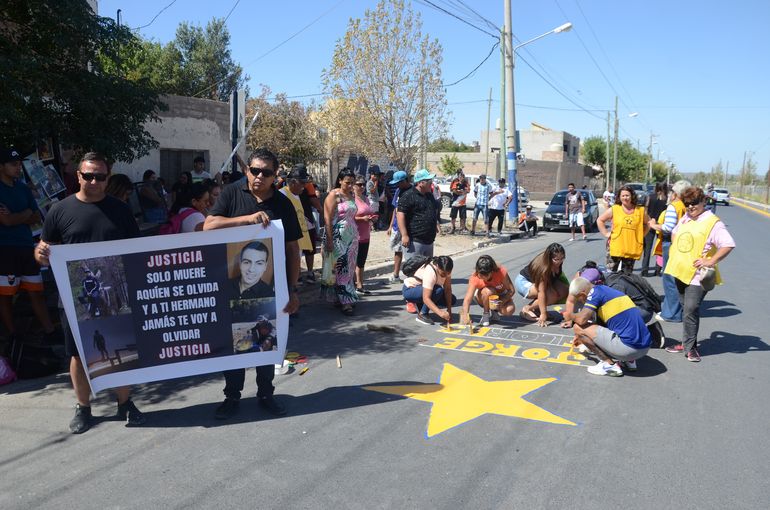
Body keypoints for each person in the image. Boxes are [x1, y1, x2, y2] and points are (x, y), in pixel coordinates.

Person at [35, 151, 146, 433]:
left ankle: (125, 403)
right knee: (78, 355)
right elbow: (42, 253)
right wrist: (41, 253)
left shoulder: (120, 210)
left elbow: (137, 251)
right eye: (88, 175)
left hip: (116, 298)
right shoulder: (60, 210)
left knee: (124, 352)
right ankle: (83, 408)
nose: (94, 181)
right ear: (78, 176)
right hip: (75, 300)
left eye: (100, 176)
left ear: (108, 179)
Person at [204, 147, 301, 420]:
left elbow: (293, 249)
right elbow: (209, 225)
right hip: (232, 286)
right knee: (234, 345)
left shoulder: (283, 204)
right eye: (254, 170)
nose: (258, 176)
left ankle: (266, 394)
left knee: (266, 342)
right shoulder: (233, 193)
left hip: (271, 288)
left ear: (275, 176)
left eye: (265, 173)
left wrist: (293, 290)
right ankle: (232, 397)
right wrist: (247, 220)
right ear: (248, 170)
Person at [663, 186, 735, 362]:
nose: (690, 207)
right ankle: (687, 342)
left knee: (690, 309)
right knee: (686, 310)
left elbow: (728, 244)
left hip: (698, 275)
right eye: (687, 204)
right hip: (679, 270)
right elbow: (674, 234)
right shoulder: (686, 218)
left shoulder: (712, 222)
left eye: (694, 203)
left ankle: (690, 348)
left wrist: (710, 260)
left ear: (703, 201)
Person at [0, 148, 59, 351]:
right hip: (5, 249)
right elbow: (5, 221)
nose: (18, 168)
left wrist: (17, 216)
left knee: (36, 291)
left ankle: (50, 331)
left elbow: (36, 216)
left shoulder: (23, 188)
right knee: (6, 296)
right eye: (13, 164)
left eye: (18, 164)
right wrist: (22, 215)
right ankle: (13, 336)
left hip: (26, 246)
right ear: (1, 166)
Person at [569, 277, 652, 377]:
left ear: (583, 294)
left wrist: (570, 316)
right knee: (619, 326)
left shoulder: (593, 294)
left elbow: (582, 320)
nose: (581, 303)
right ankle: (629, 362)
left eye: (579, 300)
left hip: (629, 349)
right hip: (644, 347)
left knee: (578, 328)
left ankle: (608, 365)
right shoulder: (607, 290)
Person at [648, 180, 690, 323]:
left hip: (671, 243)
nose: (670, 194)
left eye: (672, 192)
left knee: (669, 279)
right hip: (684, 244)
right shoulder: (687, 206)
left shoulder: (674, 207)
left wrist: (654, 225)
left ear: (676, 194)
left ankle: (671, 313)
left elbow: (668, 227)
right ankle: (676, 310)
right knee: (678, 279)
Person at [320, 167, 359, 316]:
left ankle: (341, 297)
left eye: (352, 183)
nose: (350, 185)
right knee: (341, 268)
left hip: (351, 238)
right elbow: (327, 220)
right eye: (347, 182)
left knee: (349, 269)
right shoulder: (334, 195)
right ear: (340, 181)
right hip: (337, 238)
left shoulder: (352, 195)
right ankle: (346, 302)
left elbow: (352, 216)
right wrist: (329, 240)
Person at [597, 185, 650, 274]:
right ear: (619, 197)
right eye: (623, 196)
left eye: (627, 195)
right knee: (610, 274)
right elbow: (600, 220)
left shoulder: (640, 210)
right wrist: (606, 233)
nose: (625, 198)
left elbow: (649, 223)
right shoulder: (615, 209)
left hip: (631, 248)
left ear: (632, 196)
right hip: (615, 247)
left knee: (627, 276)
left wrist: (641, 235)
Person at [515, 243, 569, 327]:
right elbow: (541, 292)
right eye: (556, 259)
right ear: (549, 258)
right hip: (524, 282)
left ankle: (537, 309)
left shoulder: (557, 262)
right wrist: (544, 314)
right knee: (552, 295)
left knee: (564, 290)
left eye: (562, 258)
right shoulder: (543, 269)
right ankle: (527, 308)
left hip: (544, 281)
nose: (559, 262)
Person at [397, 169, 440, 261]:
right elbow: (400, 215)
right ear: (421, 183)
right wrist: (404, 235)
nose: (431, 183)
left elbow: (432, 211)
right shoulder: (408, 195)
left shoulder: (429, 195)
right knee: (414, 271)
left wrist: (435, 224)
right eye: (429, 181)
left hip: (429, 241)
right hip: (414, 240)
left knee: (426, 271)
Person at [462, 255, 515, 327]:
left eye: (486, 275)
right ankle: (486, 314)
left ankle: (494, 312)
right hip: (483, 296)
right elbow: (467, 299)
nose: (483, 277)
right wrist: (465, 315)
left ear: (492, 271)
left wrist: (502, 301)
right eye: (481, 275)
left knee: (509, 310)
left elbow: (511, 290)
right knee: (489, 291)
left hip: (500, 296)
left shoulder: (501, 272)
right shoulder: (474, 277)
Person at [402, 256, 455, 325]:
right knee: (438, 290)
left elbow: (447, 290)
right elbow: (426, 298)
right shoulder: (430, 272)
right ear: (438, 267)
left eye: (448, 273)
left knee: (452, 299)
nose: (445, 276)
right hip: (410, 290)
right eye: (443, 274)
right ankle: (422, 314)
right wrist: (440, 313)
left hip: (425, 290)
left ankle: (420, 304)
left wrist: (449, 310)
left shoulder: (446, 270)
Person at [291, 164, 322, 283]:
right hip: (305, 219)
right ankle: (309, 273)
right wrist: (320, 209)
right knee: (308, 248)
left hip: (295, 219)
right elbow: (314, 200)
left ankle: (298, 274)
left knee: (296, 248)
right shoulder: (308, 184)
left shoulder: (286, 183)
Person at [279, 169, 313, 260]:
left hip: (298, 239)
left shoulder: (296, 194)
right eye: (302, 183)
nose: (304, 186)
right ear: (293, 182)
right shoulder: (282, 195)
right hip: (288, 242)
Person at [385, 171, 411, 286]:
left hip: (409, 227)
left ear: (406, 180)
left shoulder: (412, 192)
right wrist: (390, 226)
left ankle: (413, 277)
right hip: (396, 227)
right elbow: (395, 210)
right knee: (398, 250)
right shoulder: (398, 191)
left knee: (410, 252)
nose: (397, 185)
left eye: (399, 182)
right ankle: (396, 274)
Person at [353, 174, 377, 294]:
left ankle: (360, 285)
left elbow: (369, 212)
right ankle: (352, 285)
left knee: (361, 262)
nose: (362, 186)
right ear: (353, 186)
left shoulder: (365, 198)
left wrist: (373, 217)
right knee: (353, 262)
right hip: (354, 235)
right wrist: (362, 219)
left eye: (363, 184)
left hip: (365, 235)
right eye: (359, 184)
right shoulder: (351, 200)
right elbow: (349, 217)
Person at [641, 183, 668, 276]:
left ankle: (644, 270)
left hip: (649, 224)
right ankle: (658, 269)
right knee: (660, 247)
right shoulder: (666, 199)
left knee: (647, 249)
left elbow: (645, 210)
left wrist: (649, 220)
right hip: (661, 225)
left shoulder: (650, 197)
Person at [449, 170, 469, 234]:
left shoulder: (466, 183)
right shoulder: (455, 183)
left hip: (463, 203)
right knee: (453, 217)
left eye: (462, 176)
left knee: (463, 217)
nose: (461, 178)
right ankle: (452, 228)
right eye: (460, 176)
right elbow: (454, 190)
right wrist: (460, 192)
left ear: (464, 177)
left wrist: (461, 192)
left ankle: (462, 229)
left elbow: (468, 191)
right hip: (455, 203)